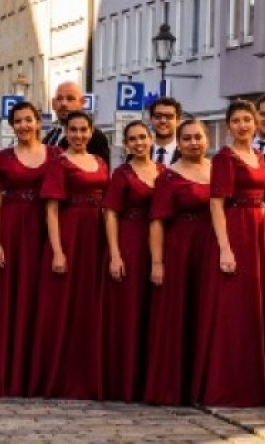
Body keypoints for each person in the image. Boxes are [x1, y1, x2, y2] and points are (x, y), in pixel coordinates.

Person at [0, 101, 54, 398]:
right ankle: (7, 372)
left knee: (41, 299)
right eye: (17, 121)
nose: (23, 126)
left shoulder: (55, 155)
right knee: (9, 298)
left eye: (28, 120)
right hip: (12, 228)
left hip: (46, 228)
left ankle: (37, 374)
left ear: (39, 122)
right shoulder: (3, 158)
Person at [198, 100, 265, 407]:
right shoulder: (225, 158)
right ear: (228, 126)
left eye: (247, 119)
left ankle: (255, 382)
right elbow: (216, 204)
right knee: (233, 310)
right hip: (235, 232)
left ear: (255, 123)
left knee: (255, 306)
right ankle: (227, 384)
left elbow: (261, 195)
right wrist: (225, 248)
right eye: (237, 121)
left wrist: (264, 210)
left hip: (258, 233)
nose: (243, 125)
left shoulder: (258, 156)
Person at [33, 111, 108, 400]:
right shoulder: (59, 163)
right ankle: (60, 375)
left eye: (83, 130)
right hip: (70, 232)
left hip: (96, 235)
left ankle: (88, 373)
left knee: (90, 303)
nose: (78, 135)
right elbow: (51, 209)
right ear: (65, 132)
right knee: (63, 304)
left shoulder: (100, 162)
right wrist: (57, 250)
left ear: (91, 132)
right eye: (73, 130)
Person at [143, 118, 213, 407]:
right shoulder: (168, 176)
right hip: (181, 247)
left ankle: (205, 383)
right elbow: (157, 222)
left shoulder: (218, 170)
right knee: (179, 314)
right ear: (179, 142)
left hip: (211, 246)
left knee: (207, 313)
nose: (193, 142)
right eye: (187, 138)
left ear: (207, 140)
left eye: (198, 137)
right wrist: (157, 262)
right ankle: (175, 385)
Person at [101, 120, 158, 402]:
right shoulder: (122, 174)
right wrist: (115, 253)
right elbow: (110, 212)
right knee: (129, 310)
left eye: (142, 137)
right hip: (130, 241)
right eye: (132, 139)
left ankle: (151, 378)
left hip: (158, 243)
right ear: (126, 144)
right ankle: (125, 380)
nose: (138, 143)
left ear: (151, 140)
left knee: (154, 311)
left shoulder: (163, 172)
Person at [43, 81, 111, 162]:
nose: (63, 103)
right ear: (53, 104)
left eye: (70, 99)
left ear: (82, 103)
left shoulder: (95, 137)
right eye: (59, 98)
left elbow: (102, 171)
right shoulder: (50, 136)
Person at [147, 97, 181, 166]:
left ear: (177, 121)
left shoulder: (186, 154)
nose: (163, 121)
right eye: (158, 116)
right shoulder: (141, 152)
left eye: (169, 117)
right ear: (151, 119)